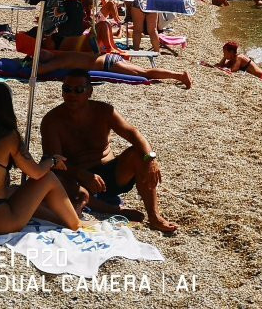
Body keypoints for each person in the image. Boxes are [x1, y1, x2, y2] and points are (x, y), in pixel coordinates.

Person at [41, 70, 178, 233]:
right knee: (56, 178)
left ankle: (154, 216)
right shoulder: (52, 120)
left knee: (139, 155)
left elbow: (133, 133)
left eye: (79, 90)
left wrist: (151, 159)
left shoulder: (103, 111)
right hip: (78, 178)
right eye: (67, 89)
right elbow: (55, 162)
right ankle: (115, 211)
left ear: (89, 91)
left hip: (111, 175)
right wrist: (82, 174)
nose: (72, 94)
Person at [0, 82, 80, 237]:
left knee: (13, 191)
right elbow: (36, 173)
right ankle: (75, 222)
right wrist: (52, 160)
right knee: (48, 178)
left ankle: (59, 218)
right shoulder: (7, 136)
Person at [36, 23, 192, 88]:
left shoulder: (62, 60)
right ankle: (179, 76)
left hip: (109, 64)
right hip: (109, 60)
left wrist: (32, 67)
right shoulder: (65, 55)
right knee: (145, 71)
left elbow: (41, 70)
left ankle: (180, 76)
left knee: (146, 73)